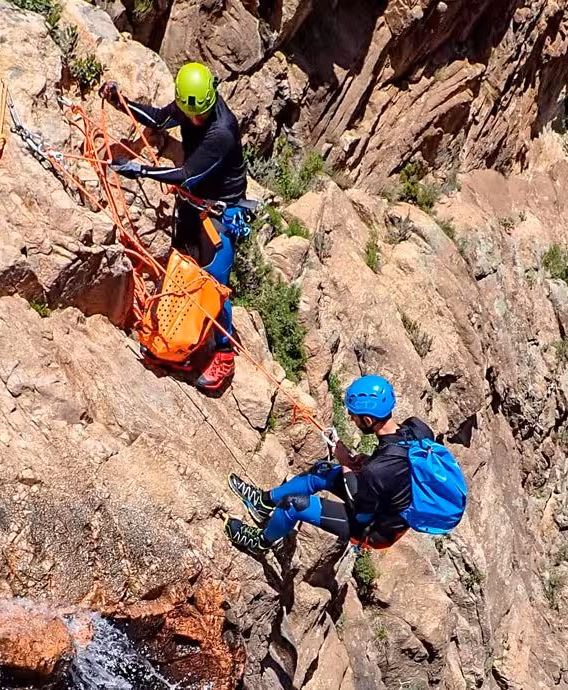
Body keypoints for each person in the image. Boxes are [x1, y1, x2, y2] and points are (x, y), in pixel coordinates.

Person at [98, 62, 248, 392]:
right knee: (181, 272)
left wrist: (139, 170)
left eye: (199, 116)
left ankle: (224, 354)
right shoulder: (192, 104)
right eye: (189, 114)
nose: (193, 121)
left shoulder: (222, 130)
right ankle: (176, 342)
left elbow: (187, 175)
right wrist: (120, 102)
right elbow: (160, 120)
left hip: (220, 212)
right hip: (194, 204)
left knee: (213, 283)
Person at [225, 375, 434, 557]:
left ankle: (261, 542)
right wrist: (368, 461)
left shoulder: (378, 470)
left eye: (353, 415)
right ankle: (263, 503)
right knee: (322, 472)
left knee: (293, 505)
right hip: (383, 501)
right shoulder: (416, 429)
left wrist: (346, 463)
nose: (351, 418)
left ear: (368, 420)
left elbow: (361, 513)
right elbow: (397, 466)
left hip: (374, 528)